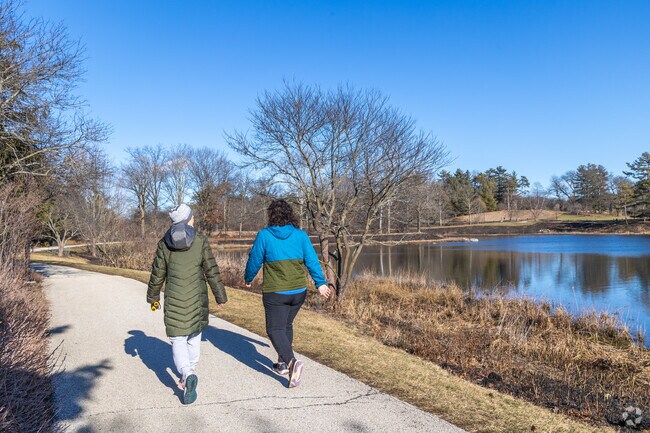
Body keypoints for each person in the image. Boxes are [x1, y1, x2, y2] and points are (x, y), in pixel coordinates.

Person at [244, 199, 331, 388]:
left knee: (274, 329)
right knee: (286, 325)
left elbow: (255, 259)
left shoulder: (264, 235)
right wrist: (320, 283)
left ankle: (292, 363)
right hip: (298, 292)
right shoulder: (300, 235)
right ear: (291, 215)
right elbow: (312, 260)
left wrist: (249, 277)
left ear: (271, 215)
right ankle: (282, 363)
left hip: (276, 292)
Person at [147, 203, 227, 404]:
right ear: (188, 219)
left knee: (178, 339)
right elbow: (211, 270)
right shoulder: (199, 240)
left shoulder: (164, 243)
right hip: (196, 299)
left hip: (174, 299)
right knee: (193, 336)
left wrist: (153, 298)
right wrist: (220, 296)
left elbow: (157, 274)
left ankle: (186, 373)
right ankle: (189, 371)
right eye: (192, 217)